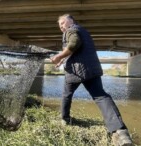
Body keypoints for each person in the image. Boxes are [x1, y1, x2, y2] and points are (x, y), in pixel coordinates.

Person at [50, 14, 133, 146]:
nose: (62, 27)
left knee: (67, 95)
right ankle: (120, 132)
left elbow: (74, 43)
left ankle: (65, 119)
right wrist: (63, 60)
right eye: (60, 25)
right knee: (101, 96)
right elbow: (78, 50)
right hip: (92, 69)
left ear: (71, 21)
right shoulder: (83, 31)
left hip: (75, 72)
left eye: (63, 23)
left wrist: (59, 56)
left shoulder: (71, 29)